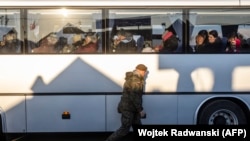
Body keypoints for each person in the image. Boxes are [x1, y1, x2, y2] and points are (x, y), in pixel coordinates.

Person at [105, 64, 148, 141]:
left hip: (132, 108)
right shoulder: (135, 80)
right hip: (128, 108)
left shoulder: (135, 78)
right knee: (124, 129)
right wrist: (140, 110)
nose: (145, 74)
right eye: (144, 72)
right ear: (140, 71)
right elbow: (135, 96)